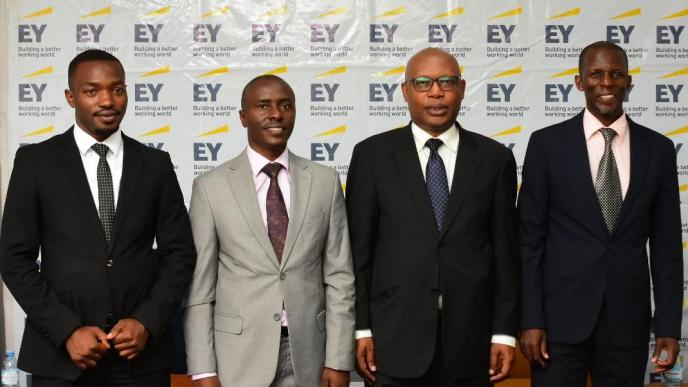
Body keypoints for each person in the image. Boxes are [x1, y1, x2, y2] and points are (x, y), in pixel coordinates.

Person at [0, 49, 196, 386]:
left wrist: (146, 322)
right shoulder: (36, 162)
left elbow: (179, 253)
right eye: (92, 91)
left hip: (140, 358)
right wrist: (66, 330)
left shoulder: (155, 165)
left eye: (117, 89)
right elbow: (14, 258)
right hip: (60, 358)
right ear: (71, 97)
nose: (107, 100)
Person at [346, 47, 520, 387]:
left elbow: (505, 255)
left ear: (462, 88)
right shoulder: (372, 156)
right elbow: (358, 254)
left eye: (447, 82)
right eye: (423, 82)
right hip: (393, 339)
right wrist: (361, 327)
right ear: (406, 91)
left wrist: (504, 333)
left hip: (471, 341)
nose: (436, 92)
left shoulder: (494, 159)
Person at [518, 41, 683, 386]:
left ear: (628, 82)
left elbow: (667, 246)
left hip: (627, 324)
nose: (606, 82)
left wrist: (667, 325)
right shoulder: (546, 144)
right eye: (596, 74)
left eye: (616, 74)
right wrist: (530, 319)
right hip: (558, 325)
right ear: (580, 82)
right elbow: (528, 239)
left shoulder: (659, 149)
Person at [182, 75, 355, 387]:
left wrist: (339, 359)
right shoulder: (210, 187)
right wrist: (203, 369)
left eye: (285, 106)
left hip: (309, 353)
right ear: (243, 116)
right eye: (263, 106)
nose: (276, 114)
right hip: (237, 354)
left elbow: (340, 277)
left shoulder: (325, 182)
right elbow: (199, 288)